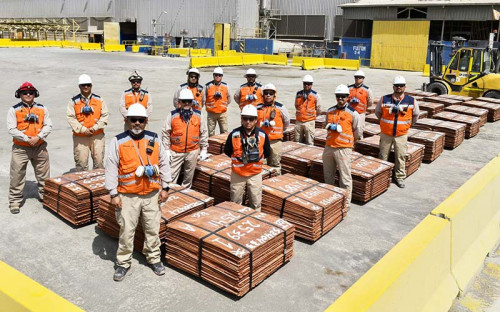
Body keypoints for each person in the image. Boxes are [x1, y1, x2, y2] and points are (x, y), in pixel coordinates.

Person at [105, 104, 171, 282]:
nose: (136, 123)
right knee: (127, 231)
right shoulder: (118, 141)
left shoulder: (154, 139)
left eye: (140, 120)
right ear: (126, 121)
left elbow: (164, 163)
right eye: (133, 120)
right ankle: (123, 262)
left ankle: (154, 258)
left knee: (152, 229)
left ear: (146, 122)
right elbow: (111, 168)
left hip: (151, 195)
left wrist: (166, 187)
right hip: (128, 196)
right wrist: (113, 193)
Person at [7, 82, 52, 214]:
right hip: (20, 148)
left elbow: (48, 125)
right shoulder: (13, 110)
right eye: (25, 93)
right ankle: (15, 201)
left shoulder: (43, 109)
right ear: (19, 94)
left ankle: (45, 196)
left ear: (35, 94)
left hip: (39, 146)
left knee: (44, 174)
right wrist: (27, 138)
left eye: (31, 92)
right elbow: (11, 129)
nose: (28, 94)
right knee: (17, 174)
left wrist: (38, 137)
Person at [375, 76, 420, 188]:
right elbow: (378, 113)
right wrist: (385, 124)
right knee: (383, 156)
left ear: (405, 87)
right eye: (397, 86)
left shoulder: (411, 101)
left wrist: (407, 126)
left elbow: (416, 115)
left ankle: (399, 177)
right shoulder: (384, 99)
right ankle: (382, 177)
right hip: (386, 134)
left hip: (401, 134)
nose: (399, 87)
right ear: (393, 87)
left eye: (401, 86)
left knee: (400, 156)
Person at [224, 105, 270, 211]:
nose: (248, 121)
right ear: (241, 119)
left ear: (256, 120)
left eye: (251, 119)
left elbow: (267, 153)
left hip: (255, 174)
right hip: (238, 174)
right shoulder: (234, 134)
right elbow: (227, 151)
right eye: (245, 118)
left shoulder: (262, 135)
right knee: (235, 203)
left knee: (255, 202)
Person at [322, 84, 361, 206]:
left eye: (343, 96)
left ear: (347, 97)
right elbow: (326, 125)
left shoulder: (353, 113)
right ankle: (331, 200)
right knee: (328, 175)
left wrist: (350, 144)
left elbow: (357, 131)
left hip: (344, 149)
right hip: (329, 147)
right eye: (338, 96)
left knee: (345, 177)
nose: (340, 99)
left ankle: (345, 203)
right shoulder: (330, 111)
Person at [162, 89, 208, 188]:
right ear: (179, 102)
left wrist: (204, 149)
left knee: (188, 177)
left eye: (189, 101)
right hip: (176, 152)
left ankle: (184, 193)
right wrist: (166, 149)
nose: (186, 103)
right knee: (171, 177)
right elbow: (165, 133)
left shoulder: (199, 115)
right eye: (184, 101)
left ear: (192, 102)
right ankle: (170, 195)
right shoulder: (172, 115)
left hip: (192, 151)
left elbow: (203, 132)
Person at [66, 74, 109, 171]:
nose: (86, 87)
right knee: (81, 164)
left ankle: (98, 184)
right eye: (83, 85)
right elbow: (71, 117)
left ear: (91, 86)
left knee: (99, 163)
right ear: (79, 86)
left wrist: (95, 127)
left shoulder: (99, 100)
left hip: (97, 135)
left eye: (88, 85)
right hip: (81, 137)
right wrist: (83, 129)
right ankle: (82, 185)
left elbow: (105, 115)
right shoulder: (73, 102)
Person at [257, 83, 290, 174]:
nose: (268, 95)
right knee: (260, 164)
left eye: (270, 93)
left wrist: (279, 131)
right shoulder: (258, 108)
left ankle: (275, 182)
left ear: (274, 95)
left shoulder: (280, 107)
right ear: (263, 94)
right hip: (261, 141)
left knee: (275, 164)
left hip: (275, 141)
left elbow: (287, 121)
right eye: (266, 93)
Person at [294, 74, 322, 145]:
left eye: (308, 84)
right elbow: (296, 106)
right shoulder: (298, 94)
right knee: (297, 141)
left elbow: (319, 109)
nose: (306, 85)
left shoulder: (316, 95)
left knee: (309, 142)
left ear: (311, 84)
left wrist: (312, 117)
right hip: (299, 121)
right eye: (305, 83)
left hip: (309, 122)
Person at [205, 67, 231, 136]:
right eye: (216, 75)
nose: (217, 77)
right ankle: (211, 146)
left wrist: (223, 105)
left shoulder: (226, 86)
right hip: (211, 113)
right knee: (211, 132)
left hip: (222, 113)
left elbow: (229, 98)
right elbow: (204, 98)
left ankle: (224, 146)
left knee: (224, 132)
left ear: (222, 76)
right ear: (213, 75)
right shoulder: (208, 86)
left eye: (219, 75)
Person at [348, 70, 373, 138]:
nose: (358, 79)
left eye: (360, 77)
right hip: (350, 113)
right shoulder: (349, 88)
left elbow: (370, 102)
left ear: (363, 79)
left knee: (359, 131)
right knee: (348, 129)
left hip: (360, 113)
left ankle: (358, 143)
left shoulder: (367, 90)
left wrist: (363, 107)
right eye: (356, 77)